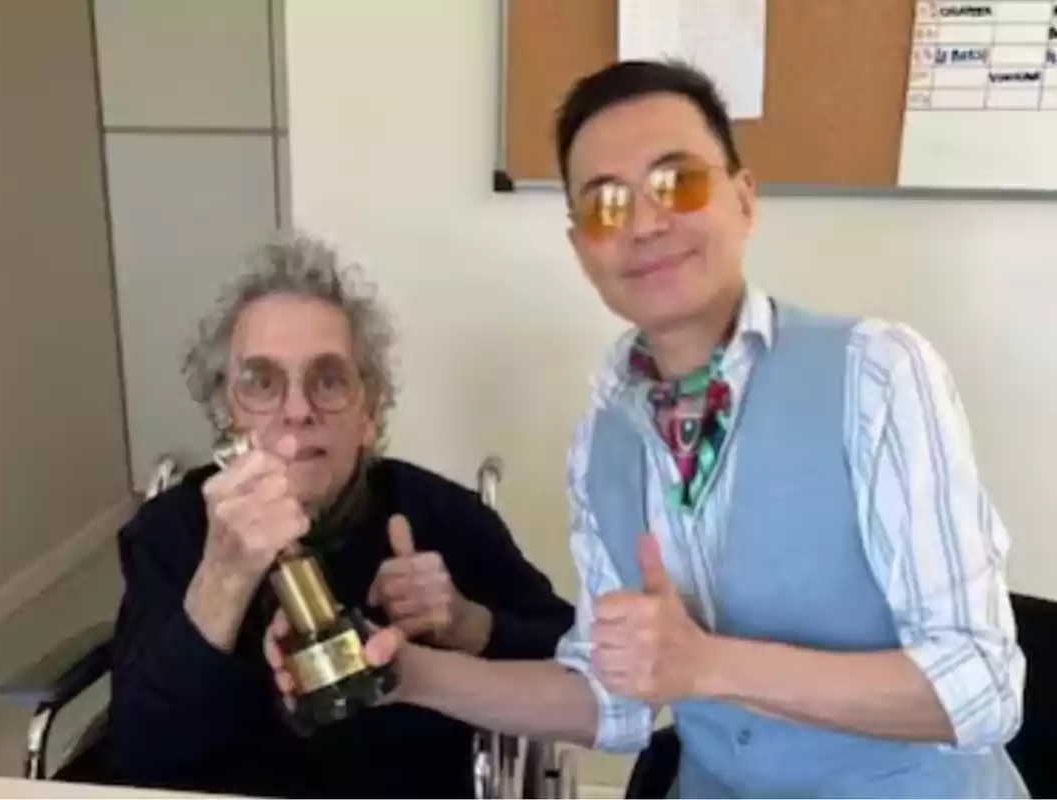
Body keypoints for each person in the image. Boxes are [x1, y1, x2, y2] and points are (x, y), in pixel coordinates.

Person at [268, 61, 1029, 798]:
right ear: (580, 248)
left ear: (744, 199)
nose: (643, 222)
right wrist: (403, 673)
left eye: (678, 182)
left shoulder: (877, 375)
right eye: (604, 204)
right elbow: (612, 698)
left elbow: (980, 686)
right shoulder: (606, 439)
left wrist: (709, 667)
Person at [105, 233, 575, 799]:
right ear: (225, 412)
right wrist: (222, 580)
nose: (297, 410)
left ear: (369, 413)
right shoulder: (171, 531)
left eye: (328, 380)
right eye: (261, 382)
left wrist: (468, 624)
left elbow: (578, 667)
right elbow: (140, 750)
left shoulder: (442, 518)